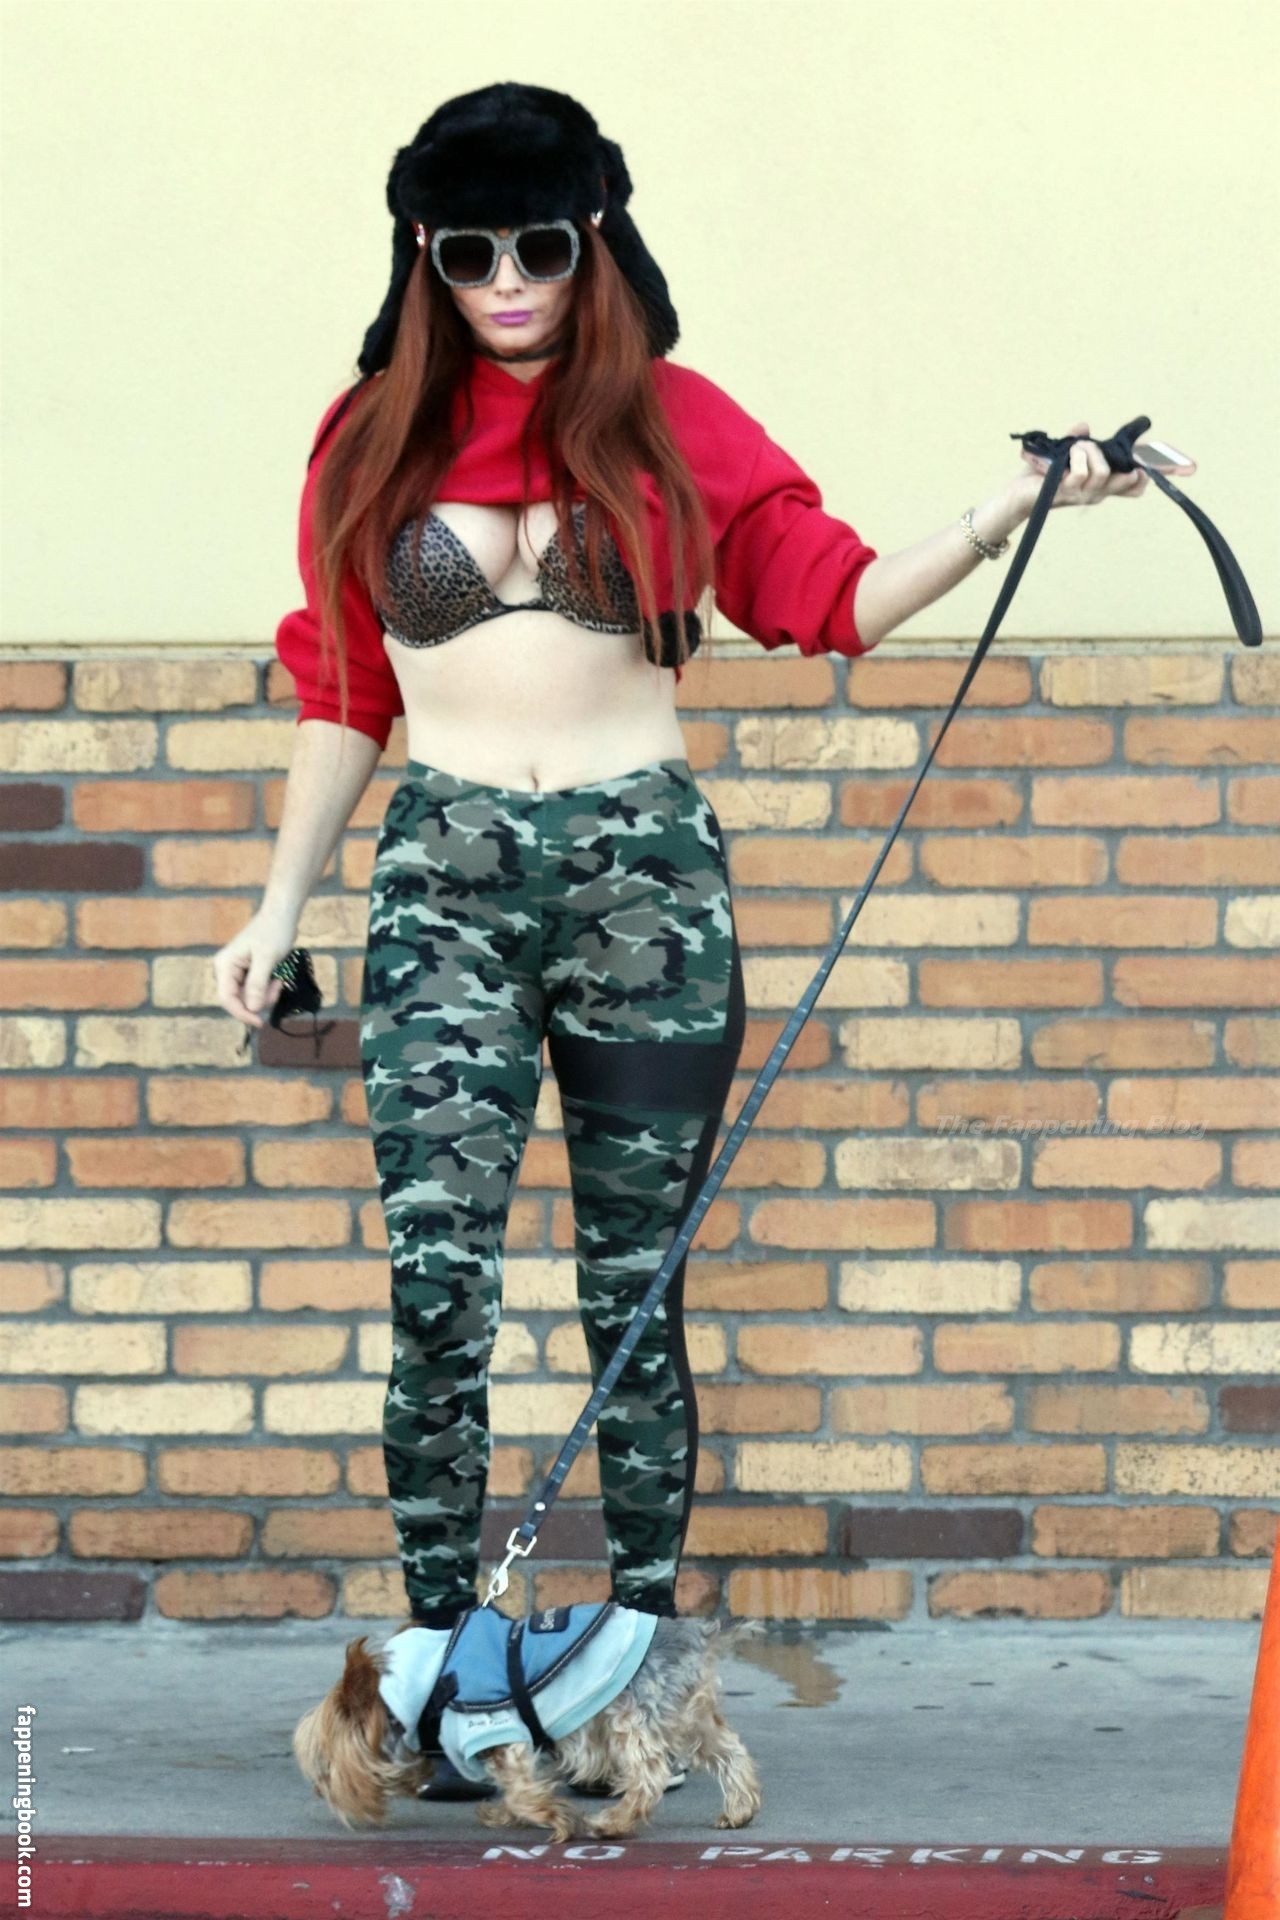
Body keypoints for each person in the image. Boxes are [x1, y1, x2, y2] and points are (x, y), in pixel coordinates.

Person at [215, 82, 1147, 1641]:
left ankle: (640, 1649)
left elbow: (836, 601)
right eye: (467, 254)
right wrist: (275, 909)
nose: (508, 284)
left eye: (539, 246)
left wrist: (1008, 510)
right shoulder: (370, 435)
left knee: (632, 1296)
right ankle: (442, 1650)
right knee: (436, 1290)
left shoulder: (672, 419)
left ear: (594, 237)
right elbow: (347, 688)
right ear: (424, 259)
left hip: (639, 880)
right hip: (442, 882)